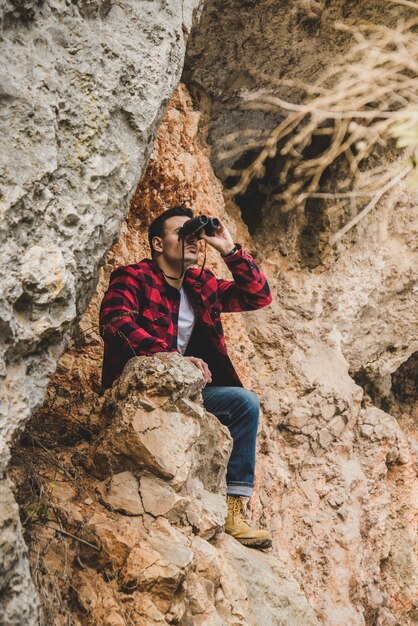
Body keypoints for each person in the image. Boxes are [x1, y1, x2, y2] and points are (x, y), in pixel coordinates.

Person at [99, 207, 273, 549]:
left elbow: (259, 296)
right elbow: (114, 320)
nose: (193, 239)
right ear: (158, 244)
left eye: (196, 234)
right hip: (141, 391)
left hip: (189, 393)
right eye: (183, 233)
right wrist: (171, 359)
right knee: (240, 401)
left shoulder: (202, 285)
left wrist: (228, 248)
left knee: (245, 404)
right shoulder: (133, 277)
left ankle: (233, 512)